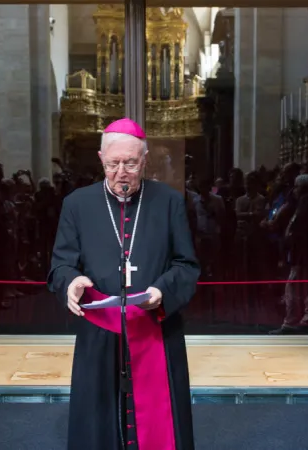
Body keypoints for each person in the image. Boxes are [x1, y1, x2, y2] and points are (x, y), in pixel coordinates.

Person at [47, 118, 200, 450]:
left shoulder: (169, 202)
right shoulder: (77, 204)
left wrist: (162, 290)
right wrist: (71, 282)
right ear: (101, 158)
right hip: (99, 330)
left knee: (160, 420)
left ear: (144, 160)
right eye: (113, 163)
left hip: (156, 326)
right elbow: (60, 264)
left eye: (130, 163)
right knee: (97, 418)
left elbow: (187, 265)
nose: (121, 172)